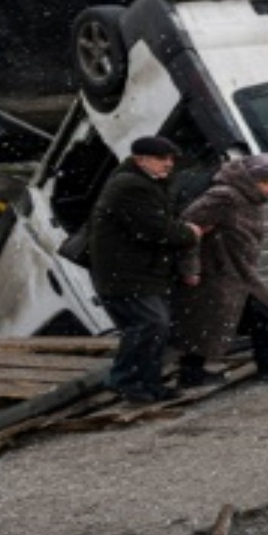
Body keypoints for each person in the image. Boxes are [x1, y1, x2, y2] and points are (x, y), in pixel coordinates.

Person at [172, 153, 268, 386]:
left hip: (237, 270)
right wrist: (190, 268)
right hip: (218, 270)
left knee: (257, 315)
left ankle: (267, 358)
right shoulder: (224, 197)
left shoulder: (248, 198)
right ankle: (191, 373)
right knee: (207, 321)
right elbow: (188, 228)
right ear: (256, 179)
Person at [90, 135, 205, 403]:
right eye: (162, 159)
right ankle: (125, 380)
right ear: (140, 159)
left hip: (140, 272)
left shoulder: (146, 182)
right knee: (149, 324)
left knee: (154, 327)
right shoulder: (130, 186)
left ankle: (148, 384)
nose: (169, 165)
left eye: (171, 159)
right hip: (127, 274)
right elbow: (155, 229)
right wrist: (190, 233)